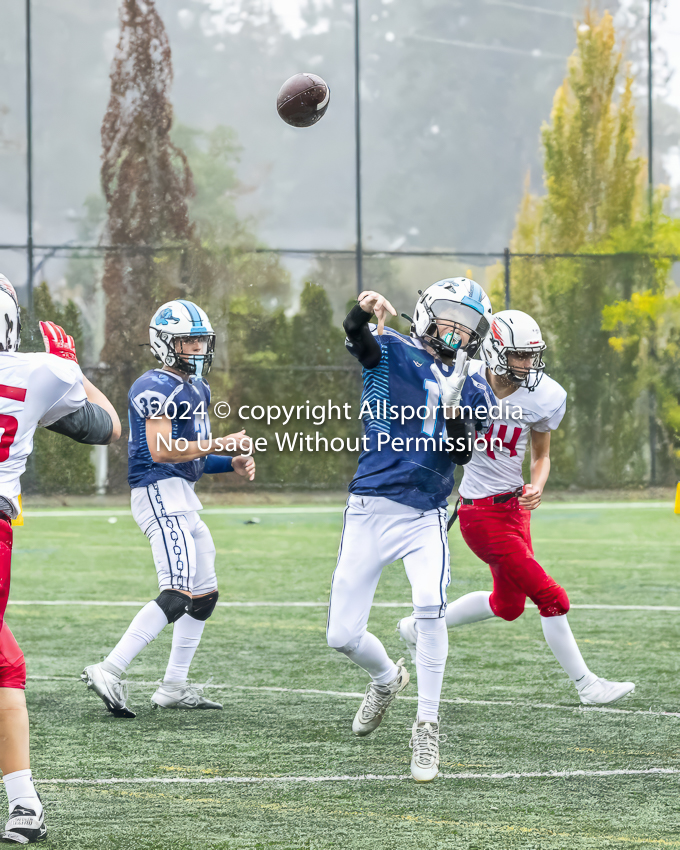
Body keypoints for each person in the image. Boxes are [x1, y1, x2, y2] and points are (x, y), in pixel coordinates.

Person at [397, 309, 635, 705]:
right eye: (518, 355)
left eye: (532, 355)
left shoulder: (545, 394)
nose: (527, 364)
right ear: (493, 350)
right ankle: (587, 685)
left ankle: (414, 627)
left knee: (507, 606)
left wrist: (537, 486)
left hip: (514, 511)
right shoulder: (462, 375)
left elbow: (541, 455)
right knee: (553, 598)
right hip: (480, 514)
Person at [327, 278, 496, 782]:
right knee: (341, 636)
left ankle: (427, 724)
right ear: (426, 313)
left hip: (423, 515)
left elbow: (462, 452)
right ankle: (385, 678)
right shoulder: (394, 350)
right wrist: (363, 308)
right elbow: (356, 334)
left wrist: (451, 410)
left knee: (429, 606)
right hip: (369, 509)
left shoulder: (477, 385)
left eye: (467, 326)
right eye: (448, 317)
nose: (455, 331)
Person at [82, 300, 254, 717]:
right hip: (156, 492)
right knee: (177, 592)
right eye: (187, 341)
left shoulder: (198, 388)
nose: (196, 349)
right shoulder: (152, 385)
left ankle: (173, 685)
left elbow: (190, 458)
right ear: (164, 344)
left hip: (180, 495)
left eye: (200, 340)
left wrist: (226, 463)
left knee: (204, 595)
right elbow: (162, 451)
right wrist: (221, 444)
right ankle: (109, 668)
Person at [0, 274, 122, 844]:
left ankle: (26, 805)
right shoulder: (40, 371)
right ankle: (25, 804)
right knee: (5, 670)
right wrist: (69, 363)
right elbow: (107, 428)